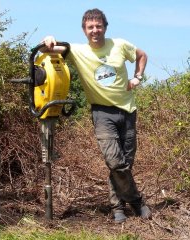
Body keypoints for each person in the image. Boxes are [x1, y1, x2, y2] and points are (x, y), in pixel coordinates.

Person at [41, 8, 151, 223]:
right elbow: (53, 49)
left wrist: (137, 77)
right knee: (115, 162)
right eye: (90, 27)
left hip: (128, 110)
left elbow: (142, 55)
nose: (95, 30)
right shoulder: (77, 51)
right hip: (102, 113)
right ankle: (137, 201)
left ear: (105, 27)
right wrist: (48, 39)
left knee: (123, 163)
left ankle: (118, 207)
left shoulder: (119, 45)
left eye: (98, 26)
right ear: (84, 30)